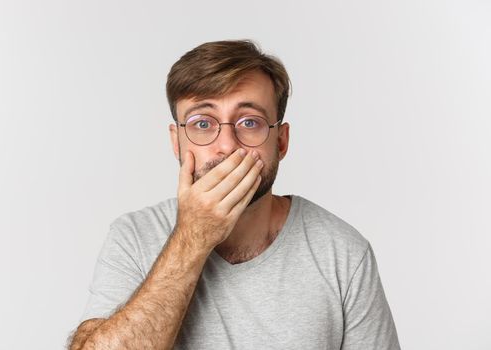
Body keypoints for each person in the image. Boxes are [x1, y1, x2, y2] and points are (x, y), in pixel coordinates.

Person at [68, 39, 400, 350]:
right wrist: (193, 237)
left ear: (280, 142)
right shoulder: (134, 237)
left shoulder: (342, 253)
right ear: (176, 142)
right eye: (202, 123)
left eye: (250, 122)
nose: (227, 145)